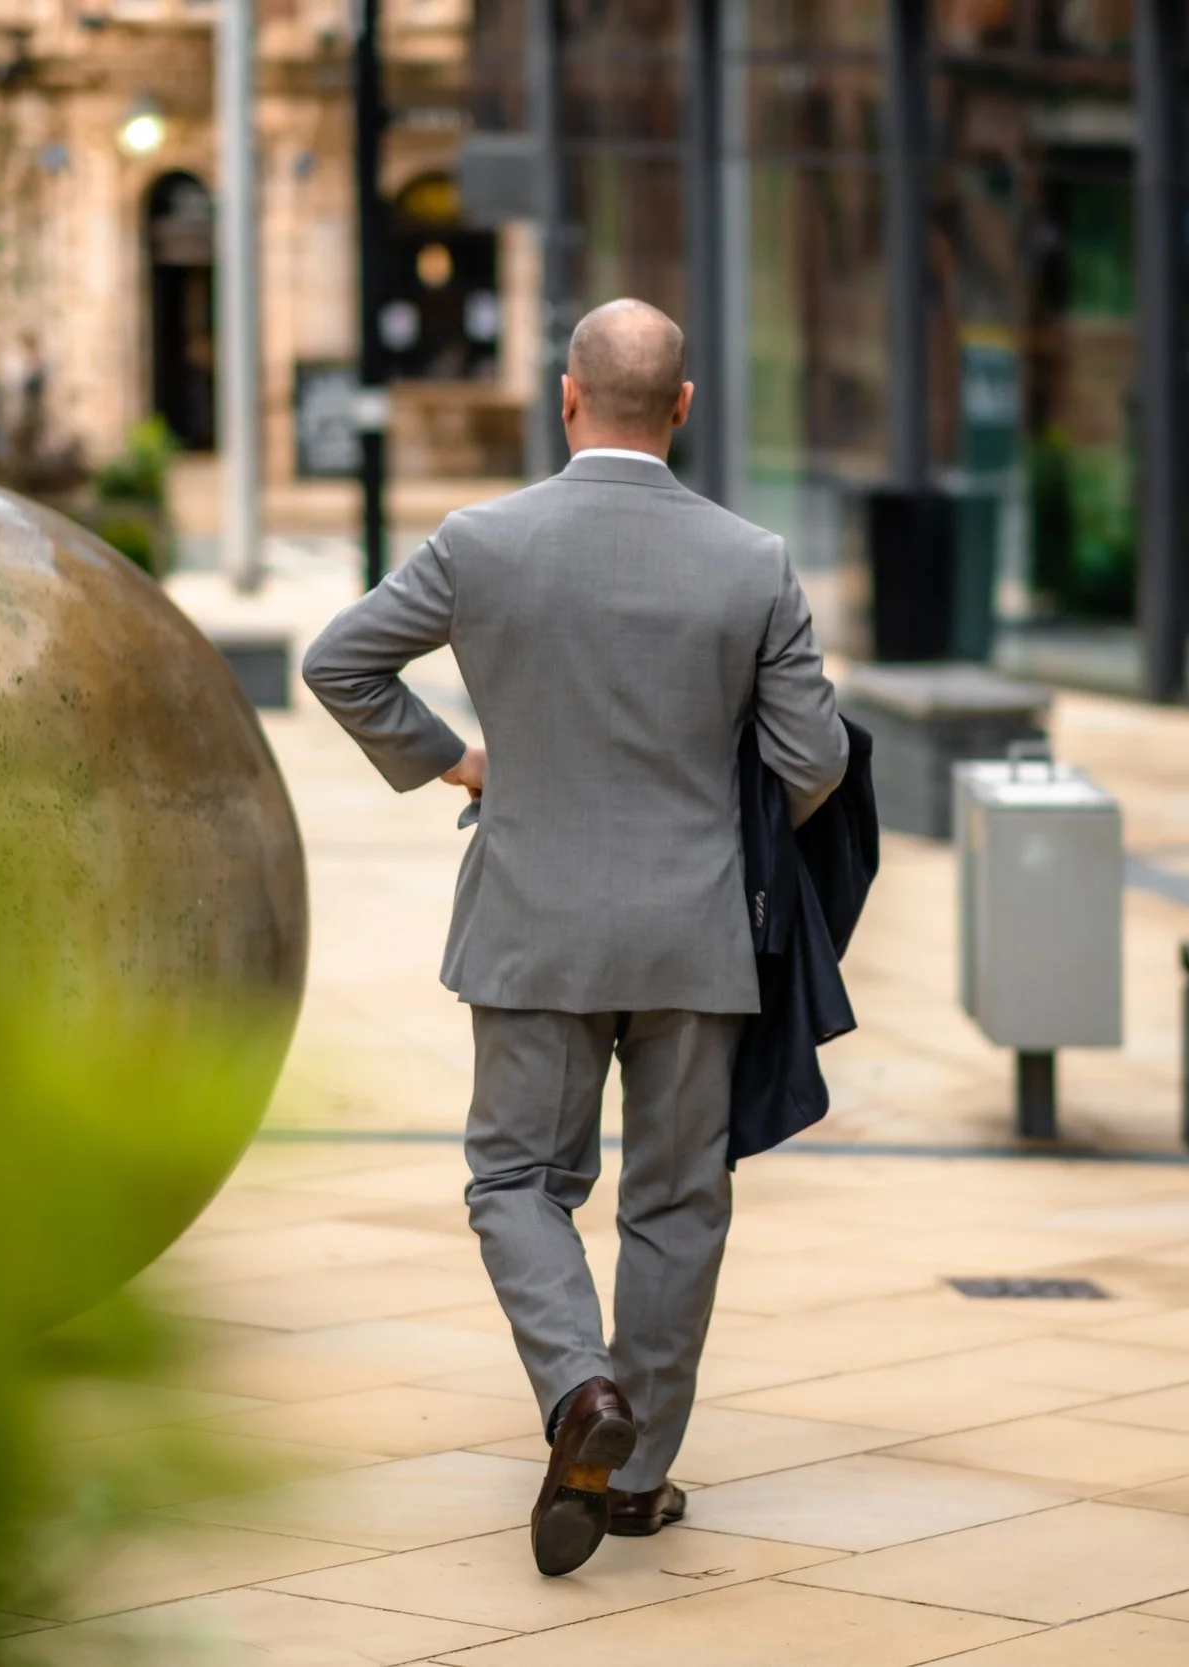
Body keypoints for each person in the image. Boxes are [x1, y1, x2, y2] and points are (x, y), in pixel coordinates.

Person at [301, 299, 850, 1577]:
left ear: (566, 398)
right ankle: (638, 1472)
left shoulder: (481, 541)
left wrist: (460, 761)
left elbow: (342, 664)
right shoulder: (751, 560)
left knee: (514, 1180)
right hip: (694, 933)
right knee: (676, 1203)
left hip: (533, 925)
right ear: (684, 405)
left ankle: (577, 1389)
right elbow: (811, 758)